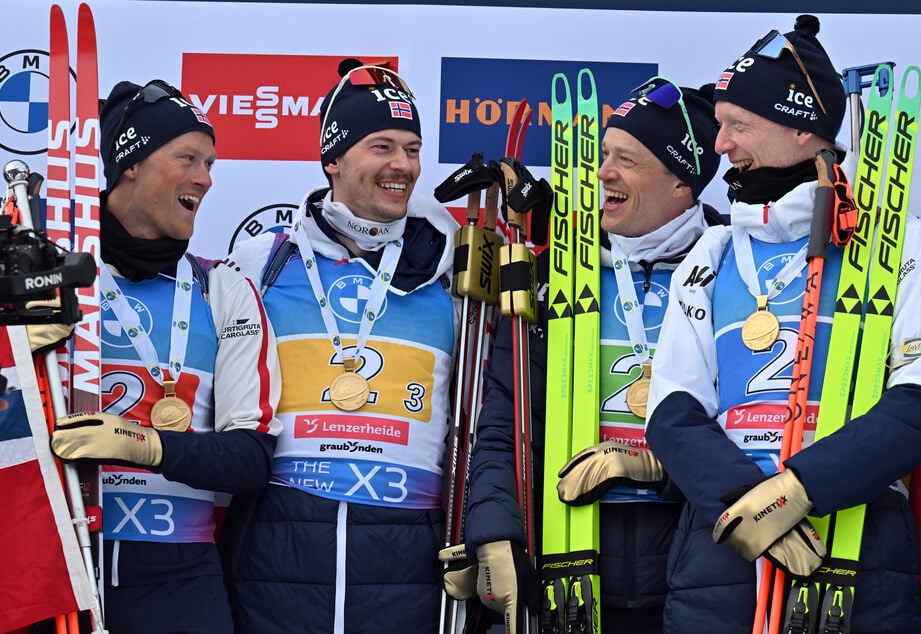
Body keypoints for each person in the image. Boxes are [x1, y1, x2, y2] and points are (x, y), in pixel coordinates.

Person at [646, 15, 921, 633]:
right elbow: (673, 409)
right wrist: (746, 501)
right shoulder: (715, 252)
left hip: (859, 543)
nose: (721, 144)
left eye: (739, 125)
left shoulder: (899, 243)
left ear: (800, 127)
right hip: (723, 551)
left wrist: (801, 491)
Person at [456, 78, 724, 632]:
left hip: (699, 574)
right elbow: (506, 420)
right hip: (569, 565)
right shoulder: (558, 271)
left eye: (625, 159)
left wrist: (657, 469)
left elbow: (756, 429)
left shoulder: (735, 269)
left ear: (680, 181)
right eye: (604, 155)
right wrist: (493, 529)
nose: (603, 173)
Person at [219, 59, 458, 633]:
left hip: (408, 565)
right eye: (382, 146)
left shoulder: (454, 275)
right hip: (277, 556)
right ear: (333, 160)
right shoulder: (261, 264)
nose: (402, 165)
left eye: (413, 147)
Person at [49, 79, 282, 633]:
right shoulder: (48, 276)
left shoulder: (222, 288)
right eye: (188, 159)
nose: (205, 178)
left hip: (178, 580)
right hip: (53, 565)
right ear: (130, 163)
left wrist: (147, 444)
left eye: (210, 163)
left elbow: (252, 457)